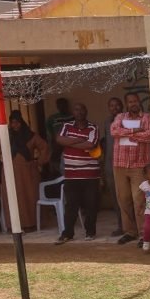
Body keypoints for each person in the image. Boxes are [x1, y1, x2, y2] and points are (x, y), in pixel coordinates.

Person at [111, 92, 150, 246]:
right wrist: (135, 131)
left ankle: (144, 234)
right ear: (126, 104)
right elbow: (114, 131)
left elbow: (149, 136)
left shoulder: (147, 118)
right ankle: (130, 232)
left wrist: (127, 134)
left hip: (139, 165)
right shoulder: (120, 117)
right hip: (120, 164)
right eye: (130, 102)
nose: (133, 103)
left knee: (139, 199)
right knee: (123, 200)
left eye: (135, 100)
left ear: (139, 101)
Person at [54, 103, 100, 244]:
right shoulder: (67, 126)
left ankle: (90, 232)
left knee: (91, 205)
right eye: (76, 109)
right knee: (71, 206)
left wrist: (69, 142)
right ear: (73, 112)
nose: (79, 112)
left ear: (86, 111)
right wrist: (80, 140)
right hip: (71, 174)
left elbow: (90, 145)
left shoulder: (93, 128)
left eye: (82, 109)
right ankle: (67, 234)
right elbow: (59, 139)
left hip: (90, 174)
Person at [1, 111, 50, 232]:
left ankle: (30, 224)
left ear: (21, 122)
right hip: (10, 171)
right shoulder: (7, 135)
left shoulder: (31, 135)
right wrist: (5, 136)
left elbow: (44, 147)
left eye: (17, 122)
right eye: (12, 123)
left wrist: (38, 162)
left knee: (28, 196)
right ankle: (13, 226)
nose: (15, 125)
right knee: (12, 198)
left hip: (27, 172)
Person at [101, 97, 126, 236]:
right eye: (111, 105)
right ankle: (121, 225)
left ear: (122, 106)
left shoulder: (127, 120)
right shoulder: (106, 122)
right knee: (115, 197)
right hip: (110, 165)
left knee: (126, 197)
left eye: (117, 105)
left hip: (124, 164)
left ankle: (131, 226)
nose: (114, 108)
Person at [45, 97, 73, 180]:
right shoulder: (52, 118)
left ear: (67, 106)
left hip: (70, 144)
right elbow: (49, 130)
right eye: (59, 105)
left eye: (64, 105)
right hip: (58, 145)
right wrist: (53, 139)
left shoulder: (72, 116)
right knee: (56, 163)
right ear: (57, 106)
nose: (62, 107)